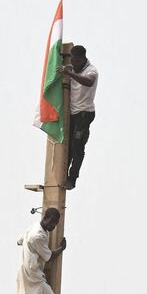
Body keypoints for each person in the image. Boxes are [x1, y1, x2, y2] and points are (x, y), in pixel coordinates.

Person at [57, 46, 98, 191]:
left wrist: (71, 74)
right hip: (73, 113)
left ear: (81, 59)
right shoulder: (71, 67)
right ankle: (62, 174)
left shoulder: (91, 70)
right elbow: (65, 68)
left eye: (75, 61)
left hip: (84, 114)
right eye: (71, 61)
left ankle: (72, 178)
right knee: (67, 144)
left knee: (77, 147)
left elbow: (89, 81)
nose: (72, 64)